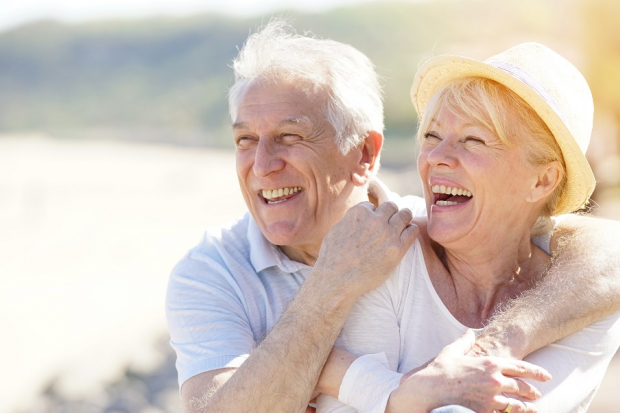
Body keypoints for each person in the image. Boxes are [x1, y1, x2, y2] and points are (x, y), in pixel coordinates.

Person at [165, 20, 620, 413]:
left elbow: (609, 252)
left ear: (365, 153)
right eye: (245, 140)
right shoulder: (210, 272)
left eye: (290, 136)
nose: (262, 165)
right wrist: (333, 286)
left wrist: (494, 344)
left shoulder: (413, 240)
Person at [314, 43, 620, 413]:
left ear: (541, 181)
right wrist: (413, 391)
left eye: (473, 140)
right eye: (431, 136)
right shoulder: (392, 255)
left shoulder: (585, 300)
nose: (436, 158)